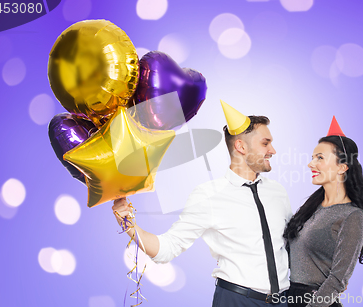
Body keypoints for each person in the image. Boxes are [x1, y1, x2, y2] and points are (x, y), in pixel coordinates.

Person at [112, 100, 292, 306]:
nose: (273, 150)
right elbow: (167, 248)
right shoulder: (208, 195)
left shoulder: (278, 192)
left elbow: (289, 246)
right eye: (265, 143)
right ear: (241, 146)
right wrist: (128, 224)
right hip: (236, 300)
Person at [282, 117, 363, 307]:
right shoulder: (311, 208)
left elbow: (338, 280)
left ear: (342, 167)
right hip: (290, 299)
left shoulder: (353, 217)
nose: (311, 164)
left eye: (320, 158)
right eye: (313, 157)